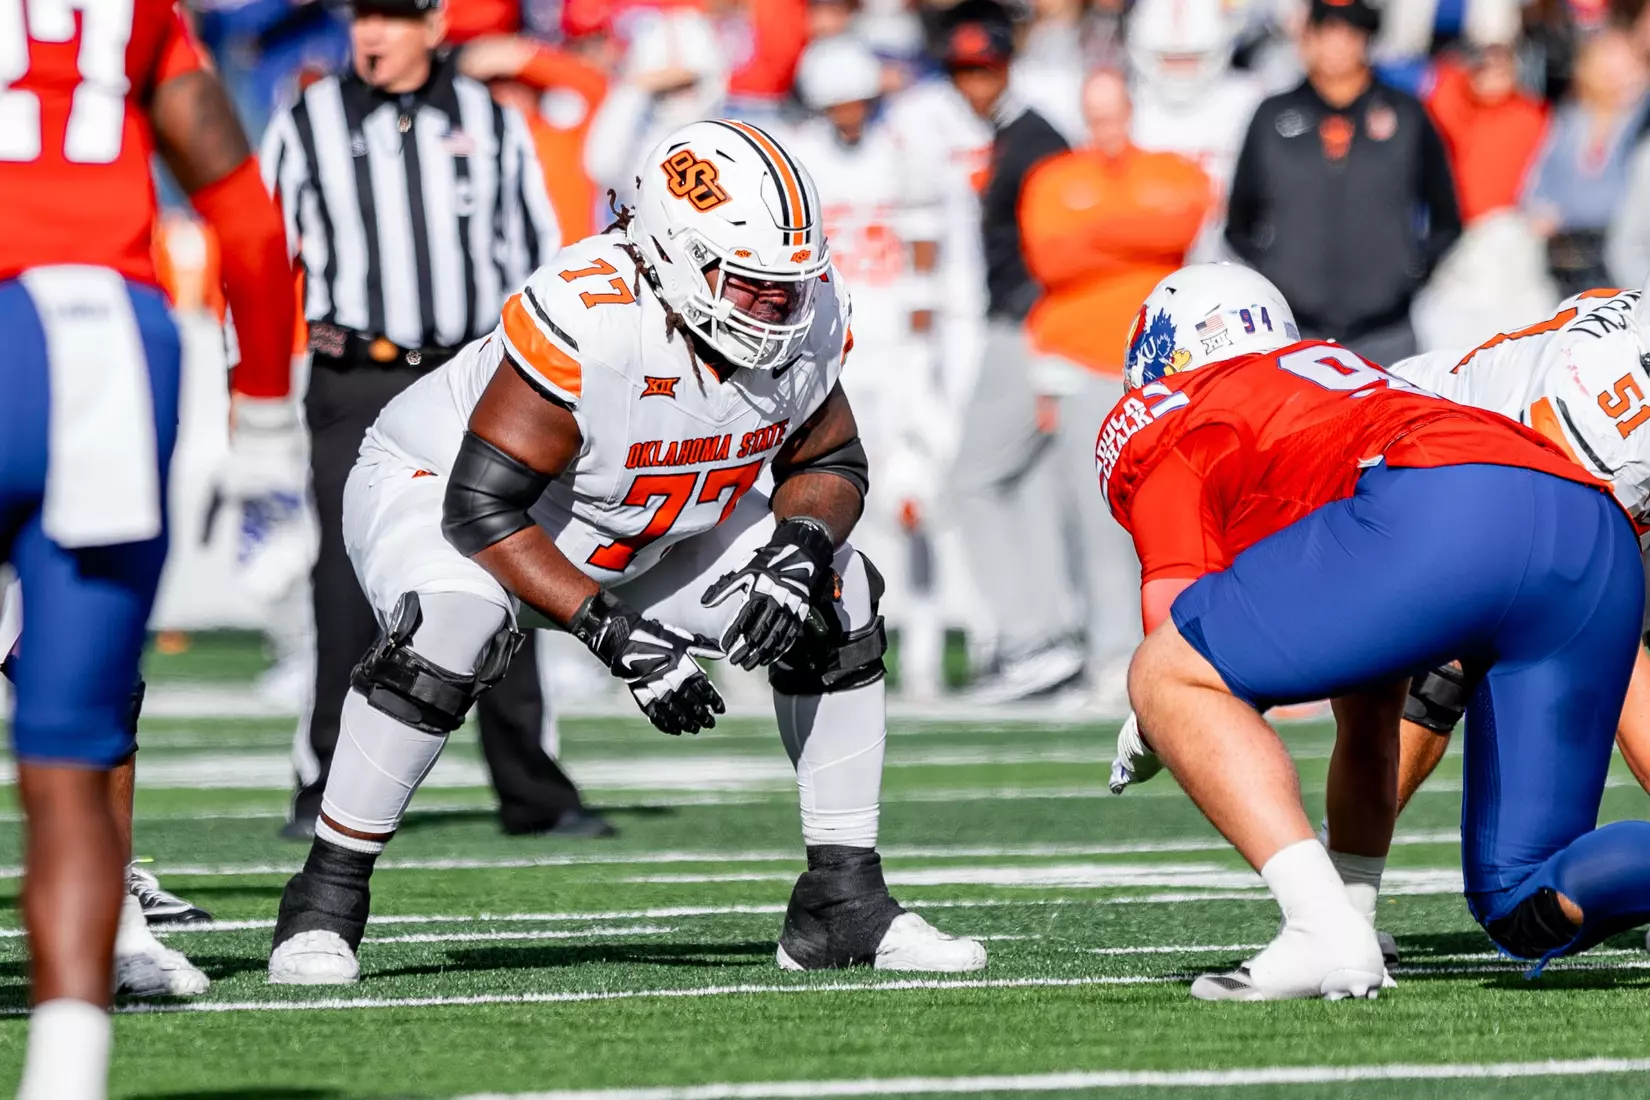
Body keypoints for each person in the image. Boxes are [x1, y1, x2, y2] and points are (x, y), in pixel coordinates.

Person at [264, 119, 988, 984]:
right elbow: (482, 507)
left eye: (789, 285)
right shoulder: (590, 314)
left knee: (842, 592)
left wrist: (798, 548)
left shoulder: (806, 310)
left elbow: (827, 460)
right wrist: (622, 639)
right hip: (447, 490)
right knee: (453, 628)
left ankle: (843, 902)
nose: (779, 307)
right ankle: (326, 898)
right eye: (749, 283)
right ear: (676, 255)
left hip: (645, 519)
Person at [1100, 262, 1650, 1000]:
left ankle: (1318, 931)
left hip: (1456, 501)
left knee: (1165, 673)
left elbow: (1178, 636)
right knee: (1522, 898)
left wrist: (1157, 712)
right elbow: (1370, 708)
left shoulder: (1180, 412)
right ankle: (1346, 917)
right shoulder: (1341, 382)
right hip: (1594, 528)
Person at [1, 0, 294, 1091]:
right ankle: (69, 1063)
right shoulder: (139, 18)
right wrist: (265, 417)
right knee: (75, 735)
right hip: (110, 352)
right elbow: (253, 230)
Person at [260, 0, 605, 842]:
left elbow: (536, 253)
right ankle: (327, 780)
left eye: (394, 16)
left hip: (467, 375)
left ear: (435, 23)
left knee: (508, 561)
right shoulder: (308, 119)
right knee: (345, 580)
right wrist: (261, 385)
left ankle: (534, 787)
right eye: (364, 15)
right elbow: (269, 254)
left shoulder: (491, 119)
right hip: (354, 371)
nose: (374, 34)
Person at [1019, 69, 1211, 706]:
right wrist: (1133, 235)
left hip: (1159, 371)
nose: (1105, 127)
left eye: (1114, 112)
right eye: (1093, 113)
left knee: (1168, 516)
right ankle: (1108, 654)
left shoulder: (1171, 168)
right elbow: (1049, 256)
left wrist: (1095, 232)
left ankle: (1176, 648)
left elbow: (1181, 224)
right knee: (1096, 518)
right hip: (1079, 366)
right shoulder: (1055, 178)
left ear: (1132, 108)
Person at [783, 35, 950, 701]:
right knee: (829, 504)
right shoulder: (802, 162)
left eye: (856, 102)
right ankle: (830, 639)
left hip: (896, 354)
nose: (847, 115)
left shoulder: (904, 155)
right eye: (836, 104)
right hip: (830, 354)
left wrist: (923, 358)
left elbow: (926, 261)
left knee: (913, 502)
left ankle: (928, 655)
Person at [940, 0, 1085, 702]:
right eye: (963, 70)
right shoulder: (1016, 134)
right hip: (1030, 322)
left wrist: (1042, 328)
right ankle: (1050, 639)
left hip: (1029, 325)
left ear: (1007, 66)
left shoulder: (1035, 139)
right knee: (1021, 485)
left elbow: (1061, 243)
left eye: (985, 68)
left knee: (969, 482)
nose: (974, 82)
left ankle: (1030, 640)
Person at [1225, 0, 1461, 365]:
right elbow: (1239, 223)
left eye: (1348, 33)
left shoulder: (1406, 115)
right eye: (1325, 32)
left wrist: (1408, 274)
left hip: (1386, 331)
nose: (1336, 45)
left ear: (1365, 39)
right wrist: (1277, 277)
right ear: (1308, 38)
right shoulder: (1272, 117)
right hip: (1296, 335)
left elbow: (1447, 216)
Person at [1126, 0, 1263, 259]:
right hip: (1146, 263)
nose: (1181, 70)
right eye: (1169, 59)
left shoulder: (1252, 101)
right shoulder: (1121, 106)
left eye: (1192, 59)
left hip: (1232, 263)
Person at [1525, 28, 1648, 297]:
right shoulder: (1571, 118)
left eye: (1626, 64)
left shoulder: (1640, 124)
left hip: (1618, 253)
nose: (1616, 74)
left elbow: (1619, 198)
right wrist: (1540, 208)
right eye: (1606, 63)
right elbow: (1539, 181)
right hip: (1566, 257)